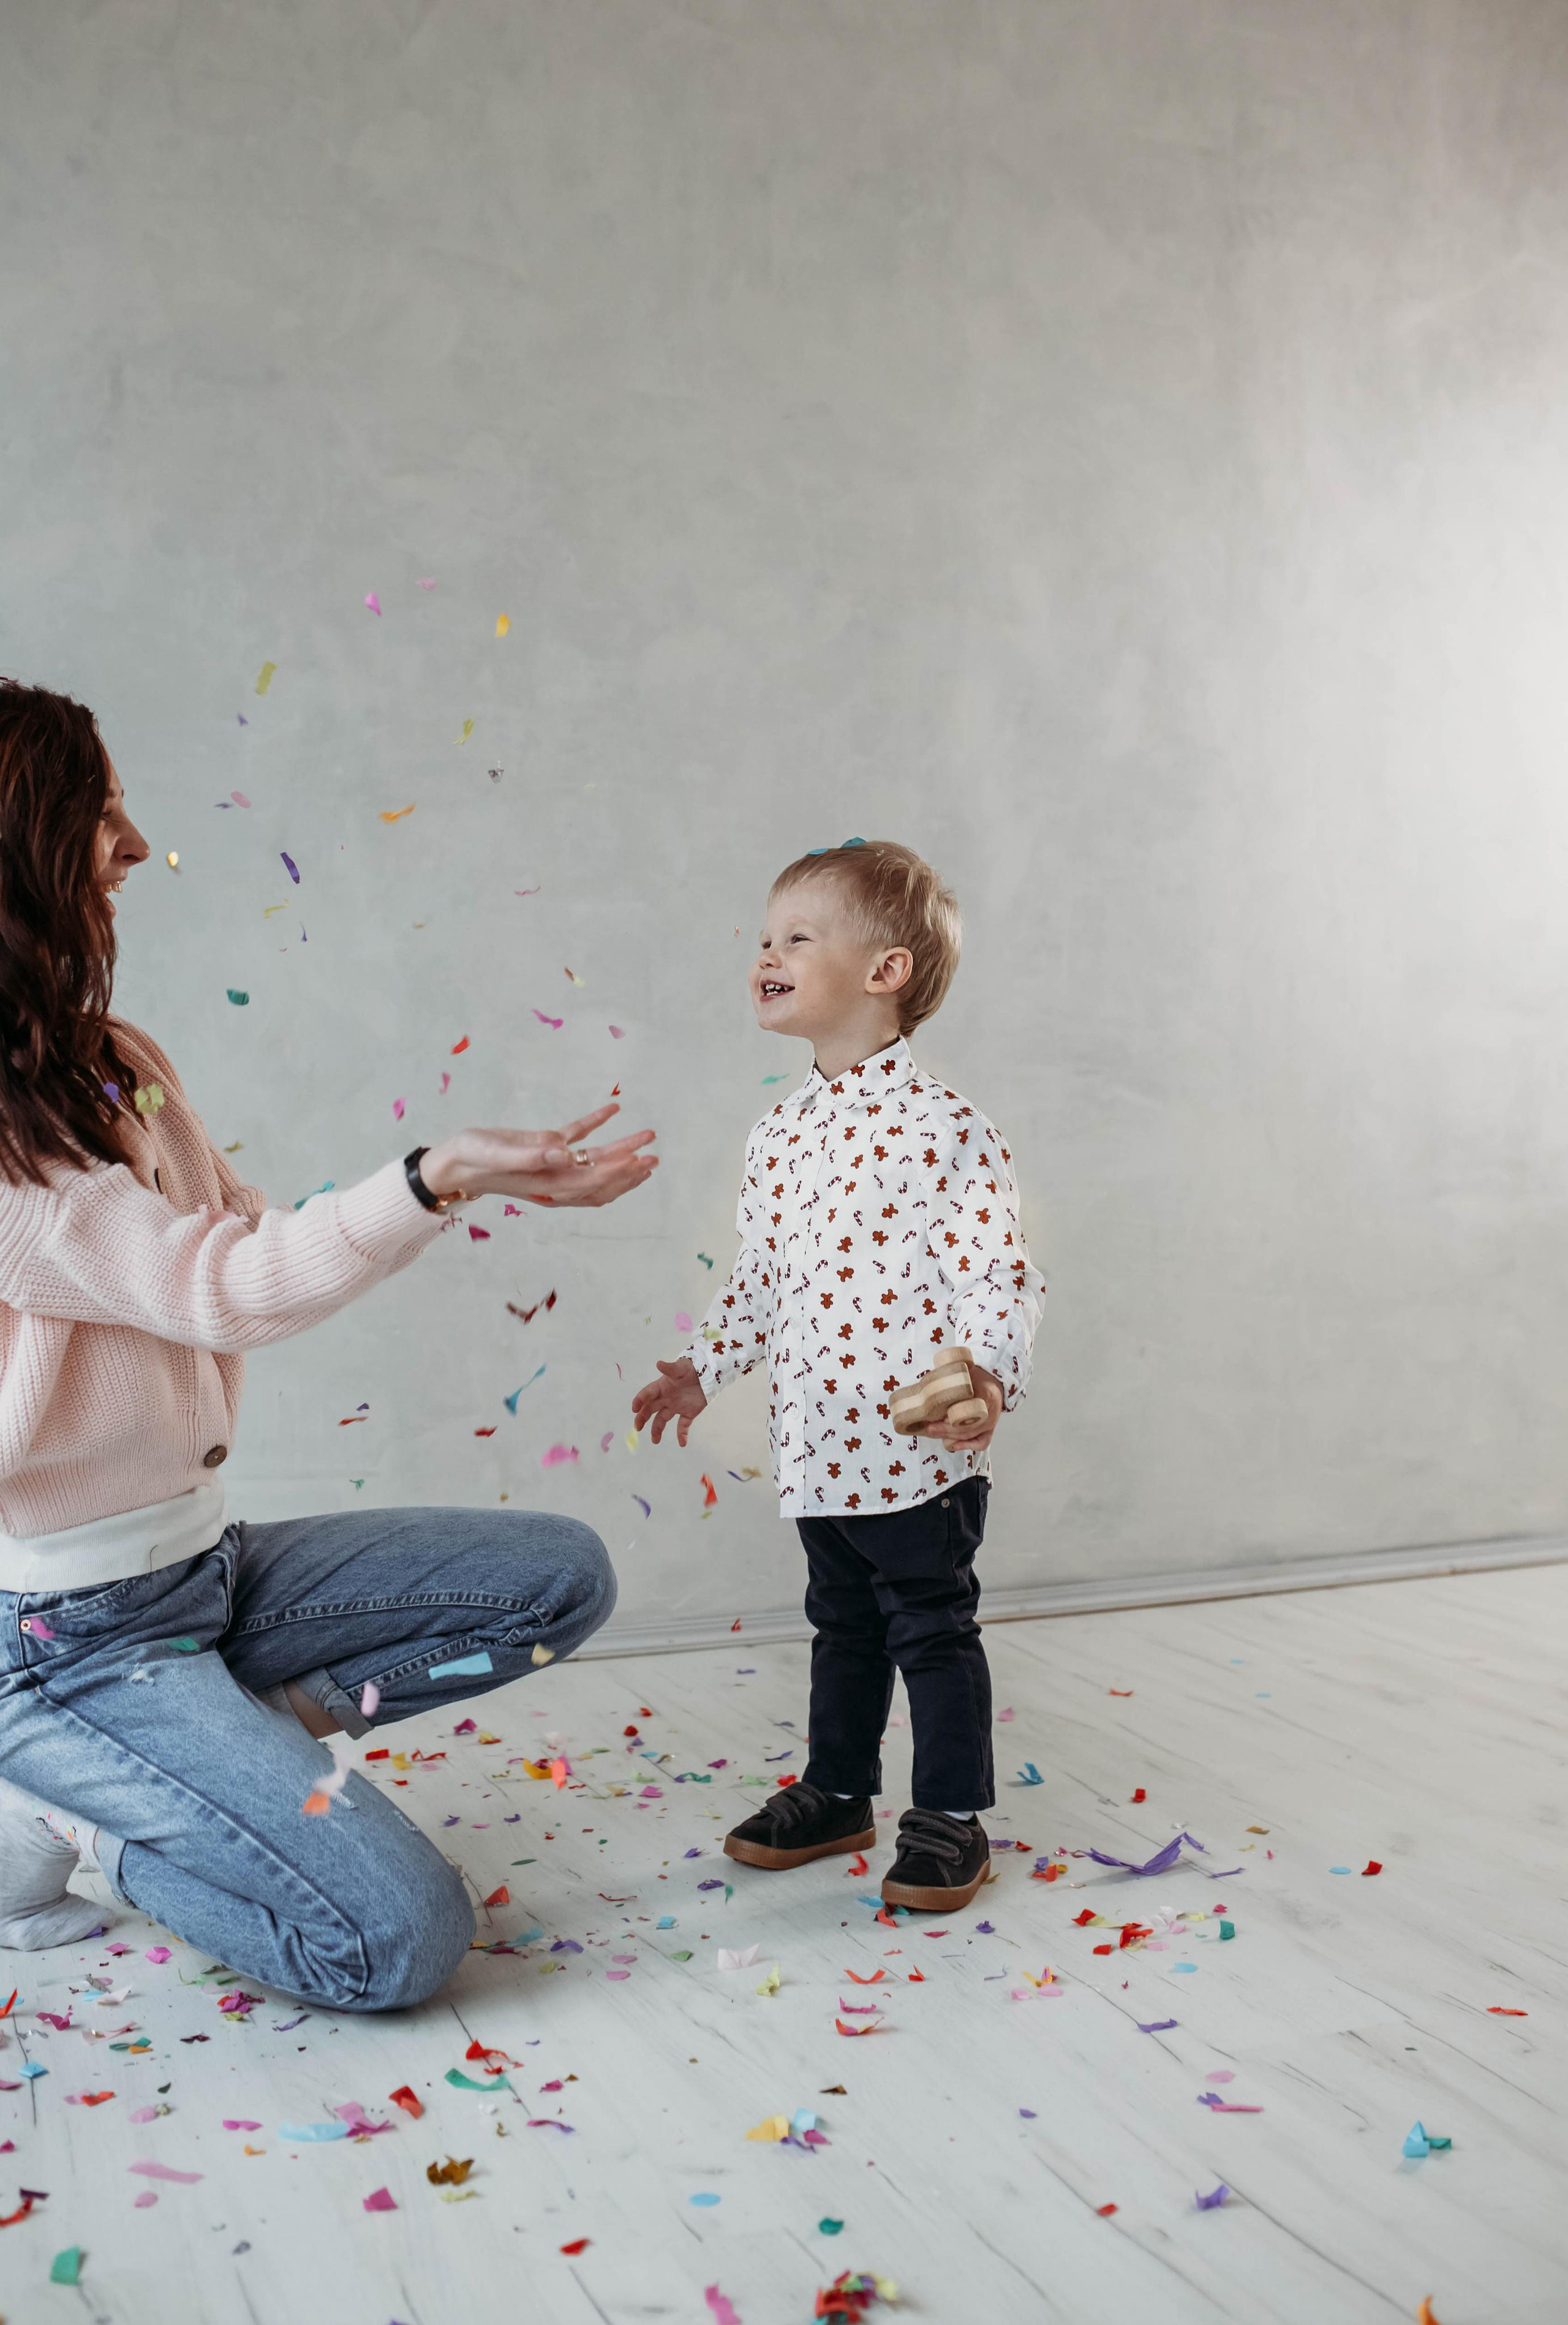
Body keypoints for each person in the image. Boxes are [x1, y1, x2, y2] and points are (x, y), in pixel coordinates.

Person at [0, 680, 657, 2008]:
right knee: (392, 1939)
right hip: (68, 1639)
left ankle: (192, 1755)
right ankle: (91, 1825)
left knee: (557, 1580)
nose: (133, 845)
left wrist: (458, 1184)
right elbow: (223, 1287)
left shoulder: (116, 1058)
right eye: (99, 813)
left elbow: (245, 1231)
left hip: (203, 1575)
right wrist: (435, 1176)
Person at [633, 840, 1042, 1912]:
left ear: (884, 971)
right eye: (764, 940)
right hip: (819, 1449)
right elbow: (759, 1279)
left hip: (916, 1451)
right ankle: (838, 1790)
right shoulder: (780, 1136)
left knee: (933, 1627)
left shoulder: (948, 1129)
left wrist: (987, 1377)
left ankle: (951, 1816)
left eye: (796, 938)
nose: (765, 955)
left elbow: (996, 1272)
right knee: (842, 1626)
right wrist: (703, 1367)